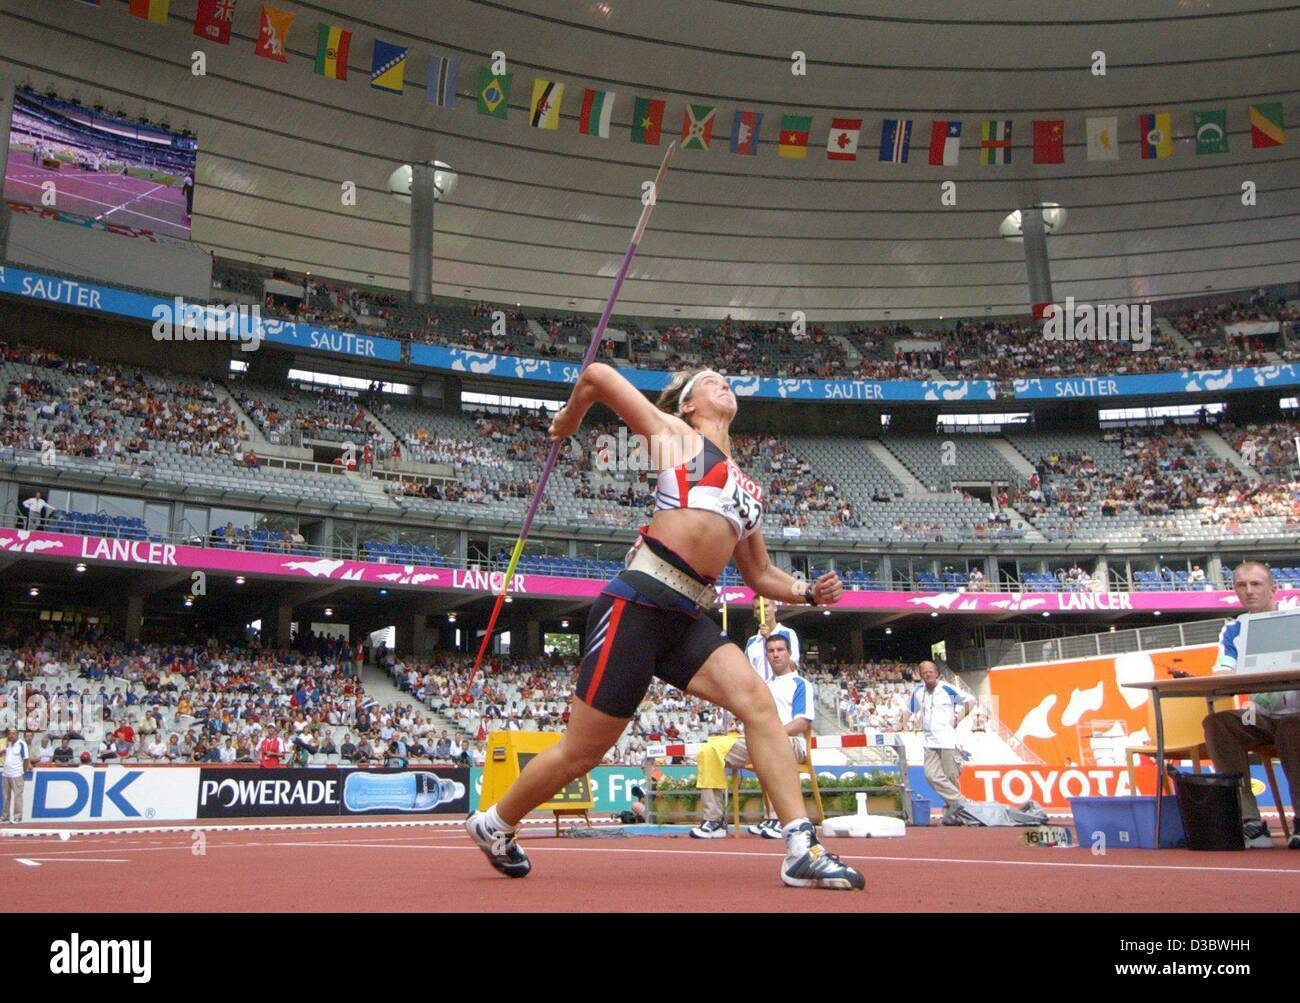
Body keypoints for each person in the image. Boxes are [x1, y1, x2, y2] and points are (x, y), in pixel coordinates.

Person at [465, 365, 863, 890]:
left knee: (758, 703)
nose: (725, 384)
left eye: (728, 380)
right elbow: (598, 376)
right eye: (711, 380)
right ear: (690, 405)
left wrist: (807, 593)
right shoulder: (677, 439)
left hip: (685, 617)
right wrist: (569, 417)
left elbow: (759, 574)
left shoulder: (748, 486)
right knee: (583, 753)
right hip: (638, 601)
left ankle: (799, 845)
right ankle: (494, 823)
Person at [1202, 562, 1300, 849]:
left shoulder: (1296, 620)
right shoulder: (1233, 630)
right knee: (1218, 724)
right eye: (1241, 585)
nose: (1248, 591)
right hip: (1261, 718)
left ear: (1274, 589)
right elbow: (1223, 671)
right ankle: (1249, 821)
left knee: (1292, 728)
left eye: (1255, 584)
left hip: (1297, 718)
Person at [690, 634, 813, 839]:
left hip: (792, 742)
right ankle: (714, 820)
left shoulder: (800, 684)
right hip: (759, 740)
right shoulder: (762, 686)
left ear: (789, 654)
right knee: (709, 751)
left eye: (780, 650)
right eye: (771, 651)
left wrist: (770, 734)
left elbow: (802, 722)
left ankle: (779, 819)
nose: (775, 655)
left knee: (773, 745)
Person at [906, 661, 975, 825]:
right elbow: (909, 709)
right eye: (924, 672)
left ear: (937, 673)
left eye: (931, 671)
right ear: (920, 675)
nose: (928, 674)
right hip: (929, 741)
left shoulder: (946, 689)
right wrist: (899, 723)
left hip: (947, 740)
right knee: (931, 775)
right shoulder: (918, 692)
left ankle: (954, 815)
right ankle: (963, 804)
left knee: (951, 777)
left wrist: (957, 719)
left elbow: (970, 700)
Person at [743, 608, 800, 682]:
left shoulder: (788, 633)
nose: (763, 610)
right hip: (761, 691)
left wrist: (769, 638)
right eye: (758, 608)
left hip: (785, 689)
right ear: (754, 613)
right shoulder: (751, 642)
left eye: (766, 606)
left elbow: (793, 666)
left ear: (774, 608)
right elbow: (747, 672)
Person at [3, 729, 32, 822]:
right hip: (6, 774)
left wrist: (22, 772)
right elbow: (6, 755)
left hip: (17, 774)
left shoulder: (22, 744)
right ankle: (5, 816)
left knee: (17, 796)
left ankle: (17, 817)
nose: (11, 735)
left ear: (17, 734)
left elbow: (26, 759)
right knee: (6, 797)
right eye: (10, 733)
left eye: (13, 733)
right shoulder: (8, 744)